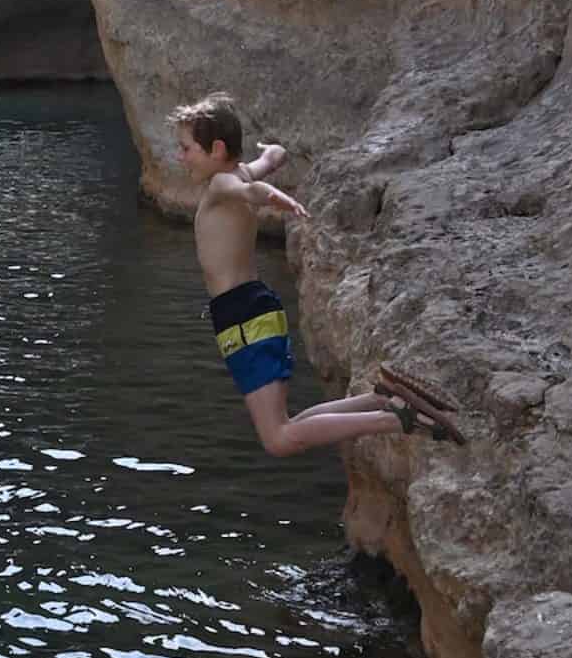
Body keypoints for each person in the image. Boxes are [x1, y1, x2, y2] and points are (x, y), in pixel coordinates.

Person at [175, 93, 462, 457]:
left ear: (215, 149)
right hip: (251, 313)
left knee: (279, 440)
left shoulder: (221, 185)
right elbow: (271, 159)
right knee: (285, 426)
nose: (180, 157)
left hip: (244, 318)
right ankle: (380, 399)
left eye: (186, 149)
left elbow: (252, 190)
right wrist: (273, 152)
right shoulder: (241, 170)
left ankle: (395, 416)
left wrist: (273, 196)